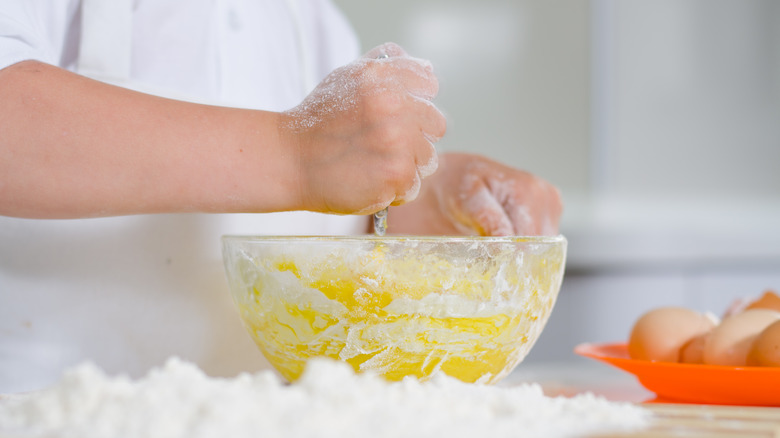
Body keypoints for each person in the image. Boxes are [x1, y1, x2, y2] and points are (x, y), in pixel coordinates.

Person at [0, 0, 562, 393]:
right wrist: (296, 151)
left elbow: (319, 215)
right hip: (42, 407)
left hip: (253, 412)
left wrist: (417, 196)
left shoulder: (306, 16)